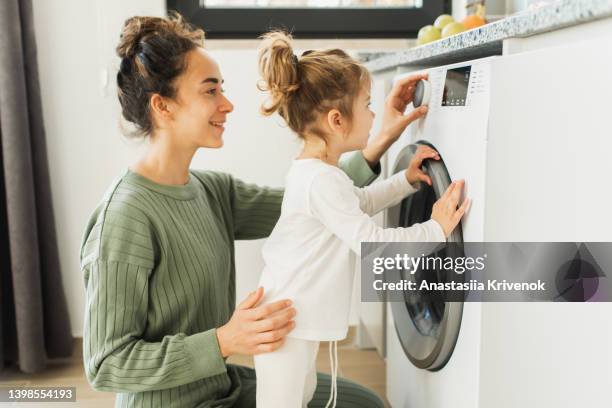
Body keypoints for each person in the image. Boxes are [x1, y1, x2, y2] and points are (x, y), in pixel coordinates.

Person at [79, 12, 462, 408]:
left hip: (222, 386)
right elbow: (107, 364)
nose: (227, 104)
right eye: (210, 91)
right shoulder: (124, 220)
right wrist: (224, 341)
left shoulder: (212, 192)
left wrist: (378, 141)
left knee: (365, 404)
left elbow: (315, 205)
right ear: (163, 106)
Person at [252, 31, 470, 408]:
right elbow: (374, 244)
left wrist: (405, 181)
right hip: (281, 326)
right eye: (368, 105)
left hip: (290, 321)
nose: (374, 114)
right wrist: (435, 228)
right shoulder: (319, 180)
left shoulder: (321, 173)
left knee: (296, 399)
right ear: (337, 120)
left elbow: (362, 201)